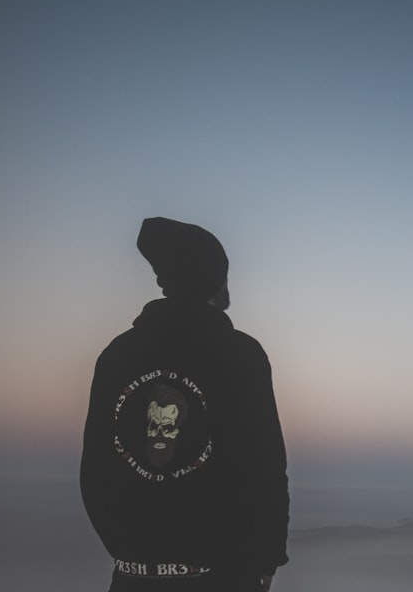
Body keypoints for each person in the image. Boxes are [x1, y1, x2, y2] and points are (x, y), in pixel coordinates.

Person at [81, 217, 289, 592]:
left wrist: (130, 553)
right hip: (222, 576)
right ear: (213, 277)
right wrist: (267, 554)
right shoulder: (240, 354)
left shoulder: (116, 355)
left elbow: (94, 468)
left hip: (132, 576)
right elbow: (265, 465)